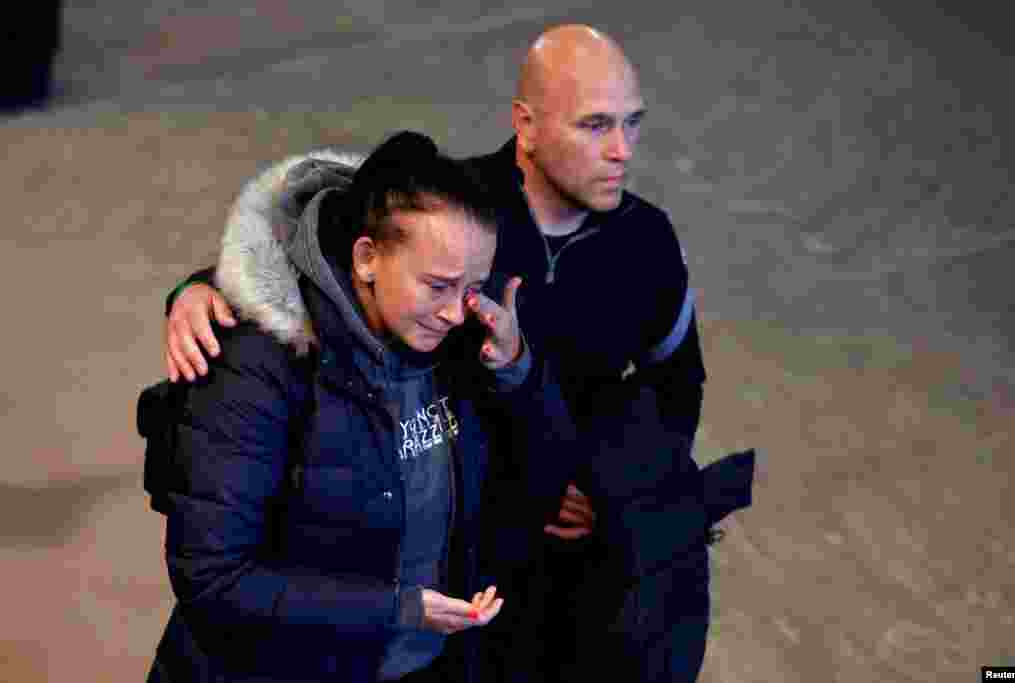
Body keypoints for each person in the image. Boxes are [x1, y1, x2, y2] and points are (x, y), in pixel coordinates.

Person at [159, 25, 755, 682]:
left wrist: (606, 477)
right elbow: (310, 258)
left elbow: (673, 386)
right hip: (411, 599)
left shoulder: (637, 247)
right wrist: (201, 289)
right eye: (595, 126)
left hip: (505, 586)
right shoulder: (456, 211)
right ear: (526, 125)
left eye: (632, 125)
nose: (622, 150)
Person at [146, 130, 578, 683]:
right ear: (367, 257)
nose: (455, 312)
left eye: (470, 287)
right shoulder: (259, 364)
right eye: (438, 286)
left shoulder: (467, 340)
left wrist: (517, 367)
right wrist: (397, 610)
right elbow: (213, 577)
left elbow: (546, 481)